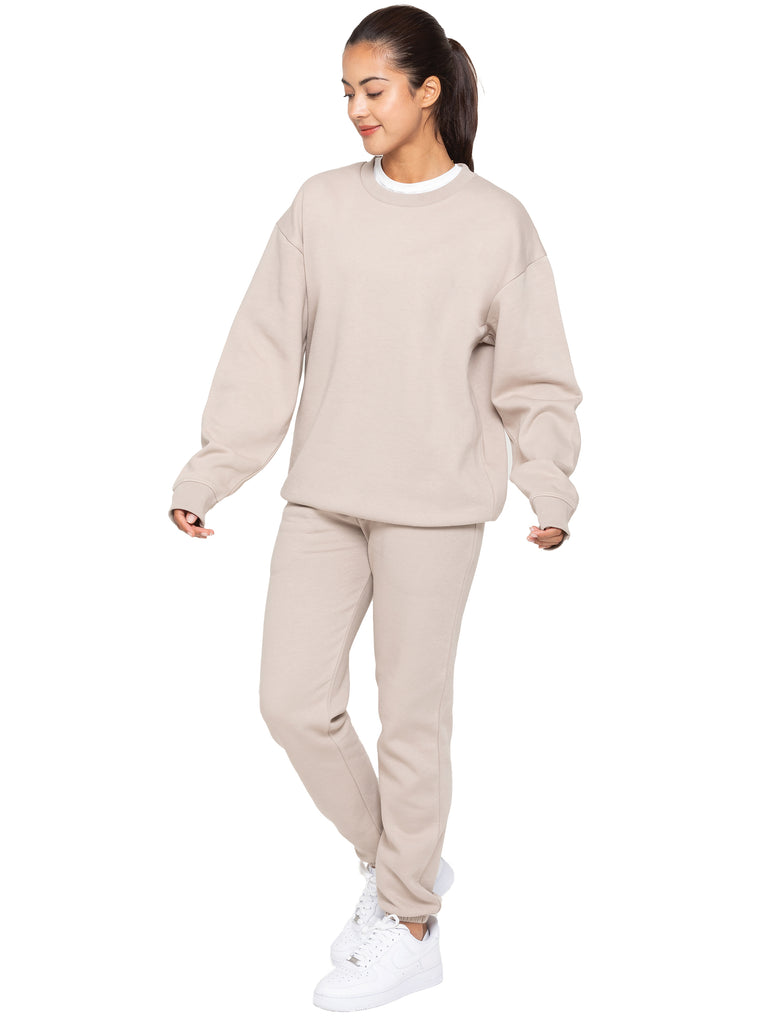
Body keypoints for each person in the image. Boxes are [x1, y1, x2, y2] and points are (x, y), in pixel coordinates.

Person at [168, 4, 582, 1012]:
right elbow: (264, 346)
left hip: (435, 506)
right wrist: (212, 471)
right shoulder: (319, 205)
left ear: (428, 91)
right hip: (324, 495)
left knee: (412, 721)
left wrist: (549, 481)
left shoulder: (497, 222)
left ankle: (409, 922)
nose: (357, 109)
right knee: (291, 703)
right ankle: (405, 865)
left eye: (374, 89)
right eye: (347, 92)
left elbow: (536, 376)